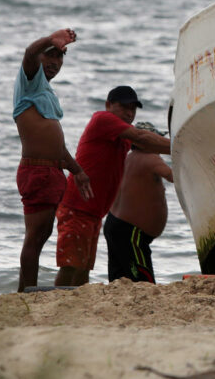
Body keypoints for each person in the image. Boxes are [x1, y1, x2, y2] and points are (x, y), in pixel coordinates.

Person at [54, 86, 171, 286]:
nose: (129, 113)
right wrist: (180, 146)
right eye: (124, 107)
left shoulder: (123, 135)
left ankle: (77, 306)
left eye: (133, 109)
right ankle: (55, 302)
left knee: (84, 267)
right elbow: (142, 138)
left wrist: (181, 149)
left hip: (94, 212)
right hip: (77, 206)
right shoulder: (103, 119)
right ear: (108, 105)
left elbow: (148, 144)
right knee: (71, 265)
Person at [14, 29, 93, 292]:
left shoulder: (46, 91)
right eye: (50, 56)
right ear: (39, 59)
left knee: (48, 232)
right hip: (36, 170)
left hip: (54, 171)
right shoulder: (29, 82)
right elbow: (28, 53)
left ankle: (37, 287)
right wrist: (50, 39)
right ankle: (27, 290)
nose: (55, 63)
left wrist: (77, 170)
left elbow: (56, 145)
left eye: (60, 58)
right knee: (35, 237)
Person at [104, 122, 174, 283]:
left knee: (119, 277)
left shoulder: (128, 159)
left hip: (114, 225)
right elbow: (173, 176)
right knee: (143, 279)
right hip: (131, 232)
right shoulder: (151, 158)